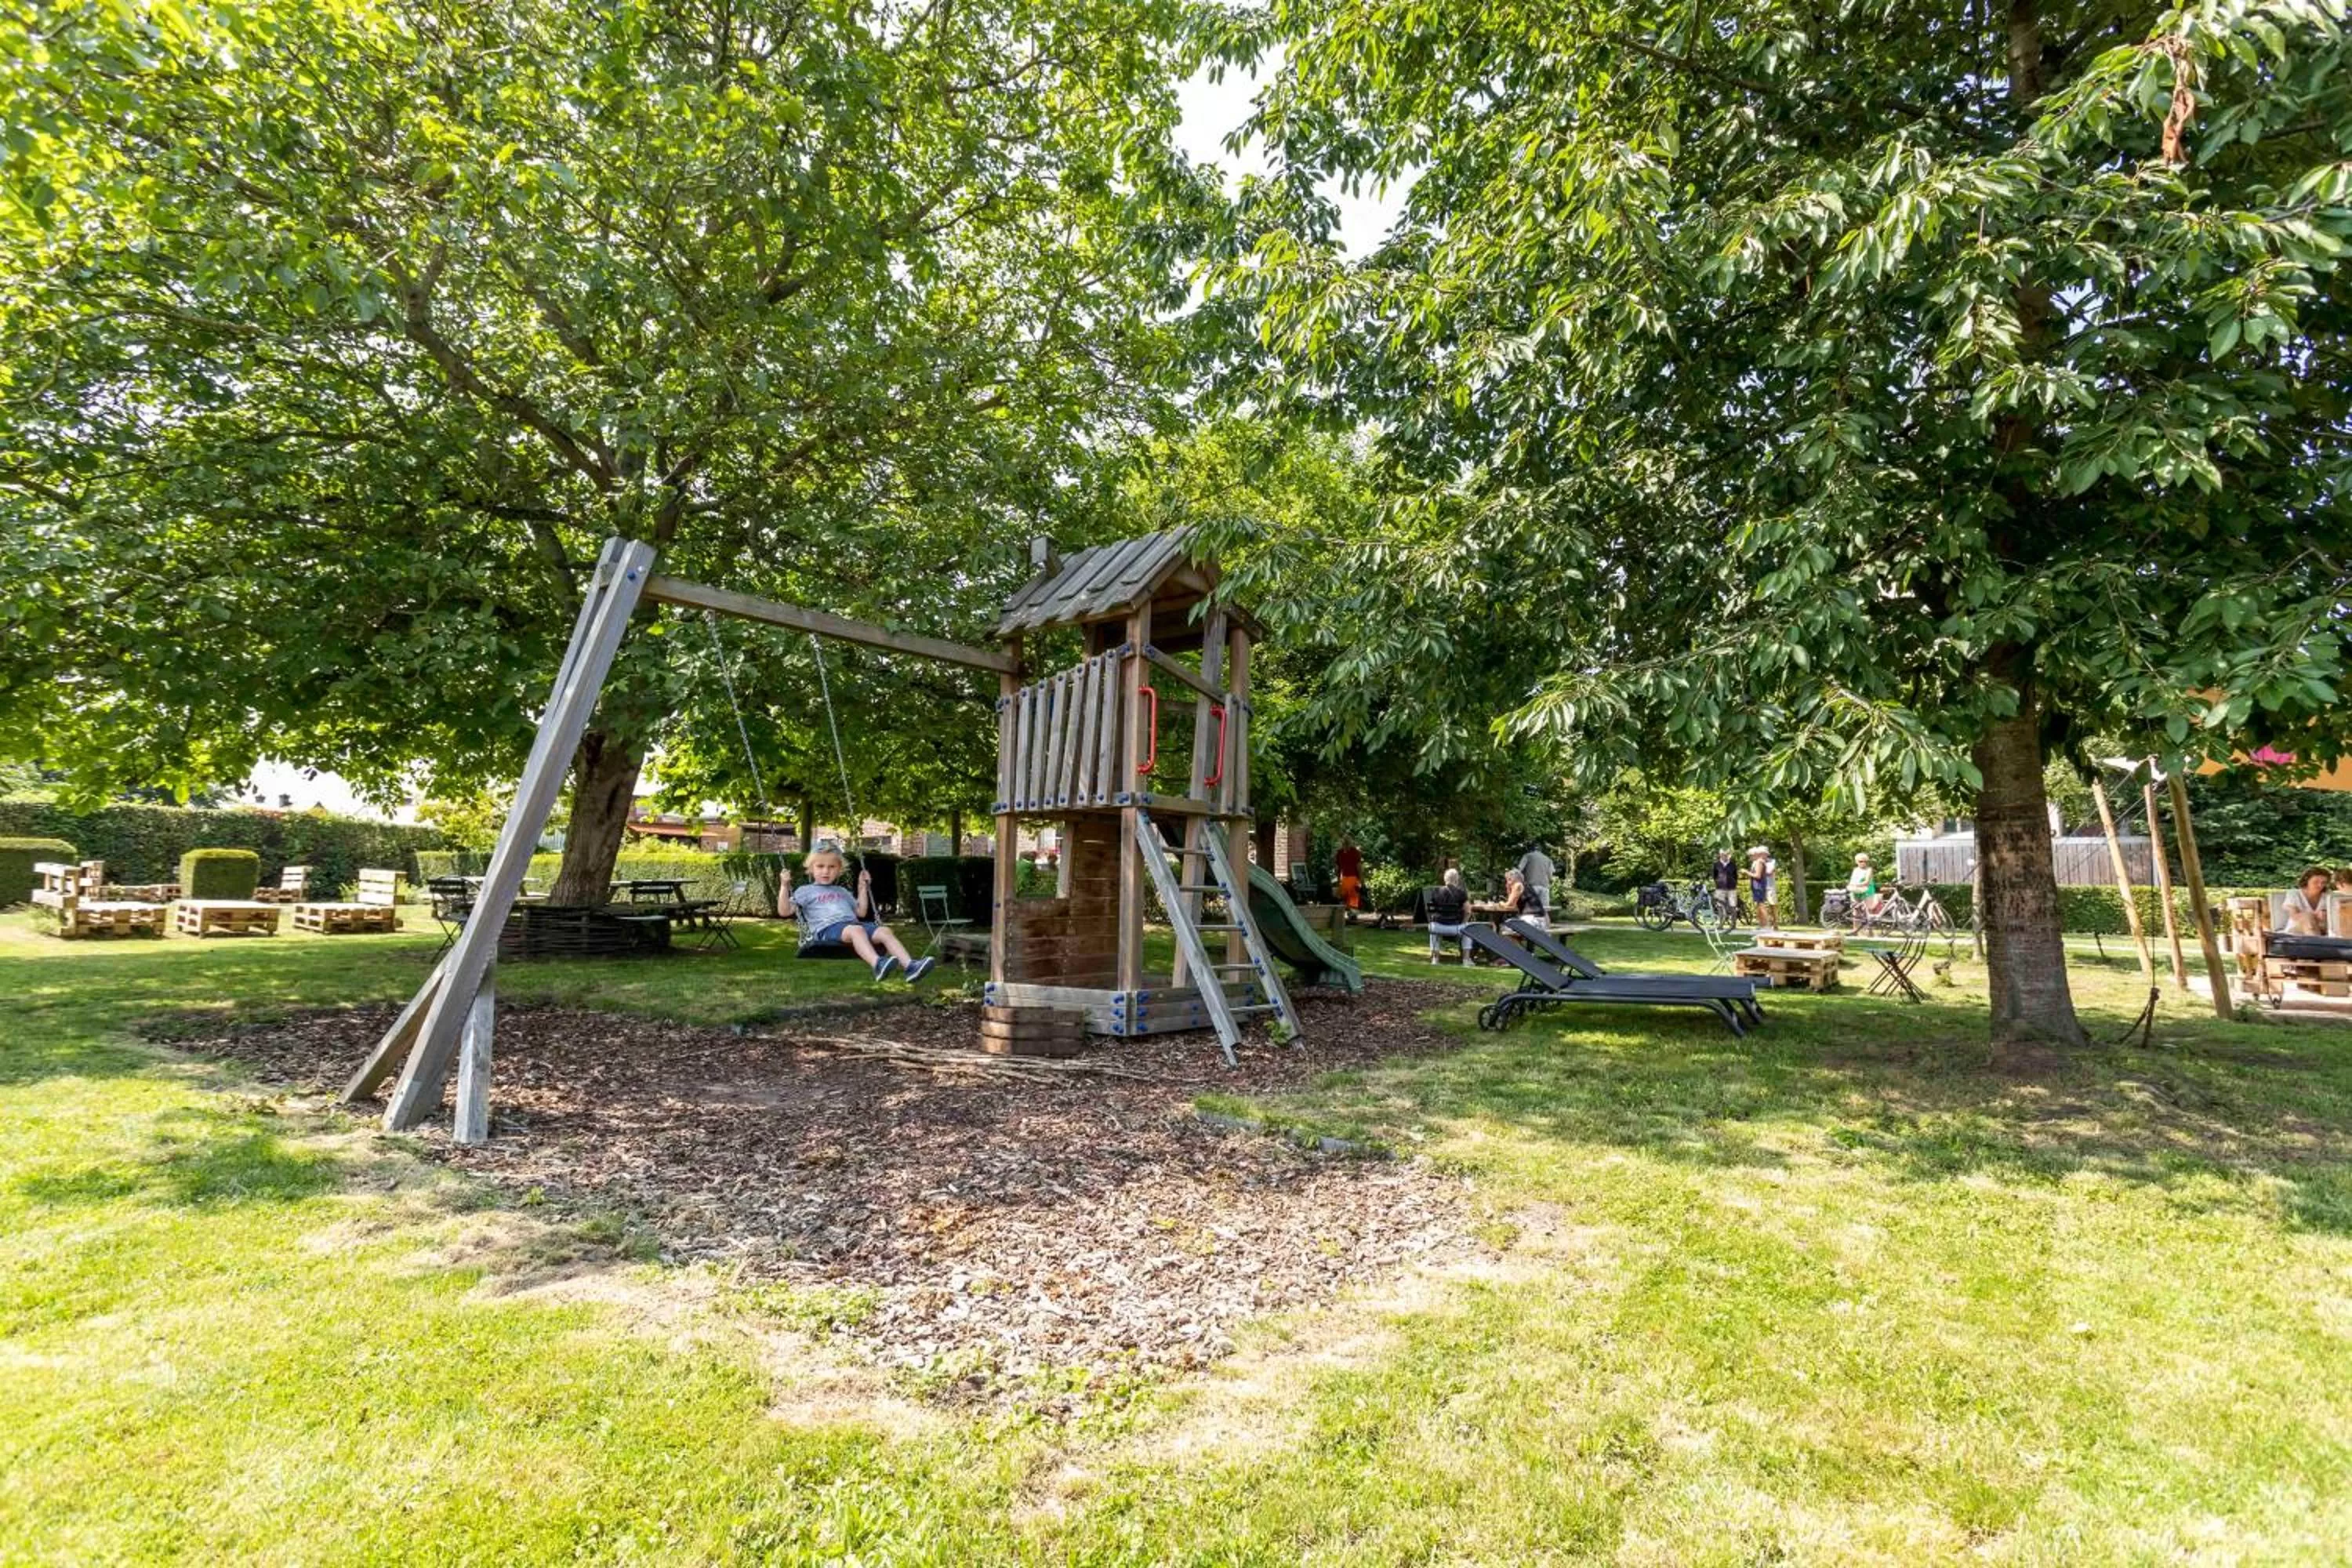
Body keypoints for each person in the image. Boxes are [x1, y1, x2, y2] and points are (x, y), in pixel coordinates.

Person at [778, 845, 934, 983]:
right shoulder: (805, 891)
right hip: (827, 929)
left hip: (852, 925)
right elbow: (784, 911)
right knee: (856, 930)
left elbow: (861, 911)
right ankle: (878, 965)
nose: (826, 871)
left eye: (832, 867)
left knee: (884, 931)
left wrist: (862, 888)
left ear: (839, 869)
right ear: (811, 869)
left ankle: (910, 966)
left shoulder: (842, 891)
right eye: (820, 866)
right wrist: (784, 886)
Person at [1426, 866, 1472, 962]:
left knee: (1433, 928)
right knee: (1468, 929)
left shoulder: (1436, 892)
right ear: (1457, 880)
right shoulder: (1461, 893)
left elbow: (1430, 909)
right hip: (1455, 928)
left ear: (1445, 879)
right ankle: (1466, 959)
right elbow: (1468, 911)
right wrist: (1463, 923)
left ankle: (1435, 958)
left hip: (1438, 927)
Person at [2278, 866, 2332, 935]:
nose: (2320, 885)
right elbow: (2294, 916)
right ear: (2307, 880)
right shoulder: (2294, 894)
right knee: (2307, 917)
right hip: (2297, 929)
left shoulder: (2328, 896)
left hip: (2322, 928)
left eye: (2323, 883)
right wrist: (2314, 916)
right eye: (2316, 882)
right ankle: (2316, 942)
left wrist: (2326, 914)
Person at [1515, 841, 1556, 924]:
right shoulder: (1548, 859)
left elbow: (1519, 870)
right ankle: (1547, 932)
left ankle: (1530, 932)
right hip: (1545, 887)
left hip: (1532, 887)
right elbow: (1551, 876)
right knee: (1545, 911)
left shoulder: (1528, 856)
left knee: (1530, 910)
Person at [1747, 844, 1779, 929]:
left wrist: (1758, 869)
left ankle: (1774, 923)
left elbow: (1768, 872)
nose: (1761, 855)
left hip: (1769, 885)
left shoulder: (1771, 862)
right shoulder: (1757, 862)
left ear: (1766, 854)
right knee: (1760, 904)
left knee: (1772, 904)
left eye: (1762, 853)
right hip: (1762, 884)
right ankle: (1763, 923)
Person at [1711, 848, 1740, 923]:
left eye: (1727, 855)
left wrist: (1734, 883)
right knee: (1720, 906)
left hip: (1731, 888)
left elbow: (1736, 876)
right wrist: (1718, 882)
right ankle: (1721, 923)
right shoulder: (1716, 864)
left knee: (1733, 906)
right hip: (1720, 888)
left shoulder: (1733, 865)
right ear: (1720, 855)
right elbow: (1714, 876)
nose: (1725, 856)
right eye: (1723, 855)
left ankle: (1733, 924)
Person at [1847, 852, 1881, 916]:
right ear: (1856, 862)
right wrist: (1852, 886)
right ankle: (1856, 927)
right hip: (1856, 891)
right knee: (1856, 911)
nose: (1863, 863)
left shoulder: (1869, 870)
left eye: (1865, 861)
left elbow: (1867, 882)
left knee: (1869, 911)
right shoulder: (1855, 870)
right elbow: (1852, 880)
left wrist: (1856, 885)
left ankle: (1867, 926)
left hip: (1867, 891)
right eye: (1861, 861)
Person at [1335, 837, 1364, 911]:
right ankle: (1348, 913)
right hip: (1345, 878)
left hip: (1353, 877)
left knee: (1352, 898)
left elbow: (1359, 866)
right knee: (1345, 897)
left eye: (1347, 843)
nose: (1346, 845)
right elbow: (1338, 867)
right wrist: (1338, 879)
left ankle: (1352, 914)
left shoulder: (1354, 852)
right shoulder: (1340, 853)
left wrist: (1360, 880)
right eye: (1345, 844)